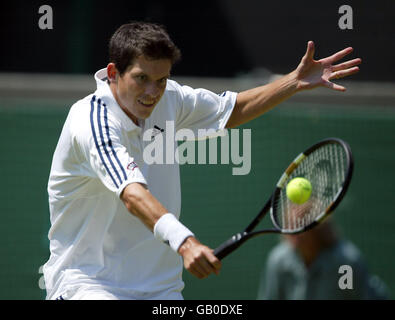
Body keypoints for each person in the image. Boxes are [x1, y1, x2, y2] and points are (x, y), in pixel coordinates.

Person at [43, 21, 361, 300]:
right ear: (114, 73)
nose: (153, 92)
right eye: (141, 78)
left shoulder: (168, 99)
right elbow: (132, 195)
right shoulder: (91, 121)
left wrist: (292, 82)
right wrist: (185, 243)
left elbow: (230, 111)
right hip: (87, 283)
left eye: (162, 79)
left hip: (160, 288)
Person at [257, 219, 389, 300]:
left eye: (301, 223)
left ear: (318, 229)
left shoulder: (346, 264)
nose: (295, 231)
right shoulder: (278, 261)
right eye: (292, 224)